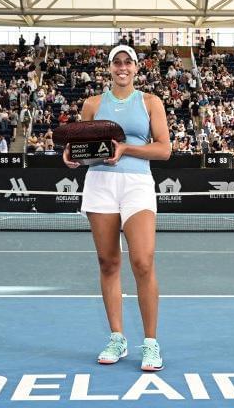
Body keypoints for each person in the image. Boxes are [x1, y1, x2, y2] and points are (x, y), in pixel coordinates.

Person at [63, 44, 171, 371]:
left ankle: (150, 343)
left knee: (143, 261)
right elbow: (81, 148)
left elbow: (164, 150)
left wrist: (125, 149)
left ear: (136, 68)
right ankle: (117, 337)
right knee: (108, 262)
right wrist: (72, 158)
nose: (122, 67)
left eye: (128, 62)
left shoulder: (151, 102)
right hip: (100, 184)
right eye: (117, 63)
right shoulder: (93, 104)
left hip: (137, 184)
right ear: (109, 68)